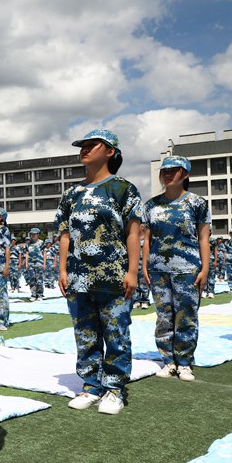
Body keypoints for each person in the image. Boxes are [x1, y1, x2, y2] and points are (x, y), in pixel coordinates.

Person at [56, 129, 142, 415]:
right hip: (79, 275)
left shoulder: (123, 189)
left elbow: (132, 232)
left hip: (113, 274)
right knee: (85, 333)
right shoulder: (72, 193)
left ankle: (114, 387)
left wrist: (132, 271)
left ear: (110, 152)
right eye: (83, 146)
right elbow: (65, 234)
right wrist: (62, 269)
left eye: (93, 145)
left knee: (116, 331)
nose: (85, 149)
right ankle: (91, 384)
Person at [142, 155, 210, 381]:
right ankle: (168, 360)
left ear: (186, 174)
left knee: (186, 315)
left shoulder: (197, 203)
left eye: (174, 170)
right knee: (163, 316)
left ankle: (184, 362)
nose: (168, 174)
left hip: (188, 268)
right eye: (165, 170)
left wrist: (205, 268)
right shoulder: (151, 205)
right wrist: (144, 266)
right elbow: (147, 238)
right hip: (158, 269)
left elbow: (203, 238)